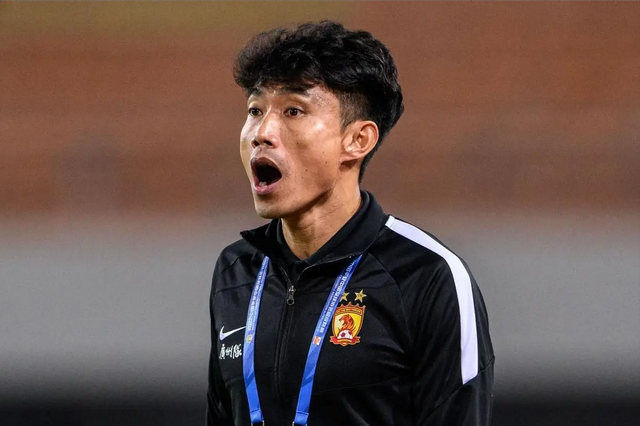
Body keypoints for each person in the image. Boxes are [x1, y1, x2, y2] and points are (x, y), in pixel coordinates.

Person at [207, 21, 494, 426]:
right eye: (255, 111)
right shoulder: (237, 271)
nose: (262, 133)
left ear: (357, 140)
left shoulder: (427, 277)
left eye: (293, 111)